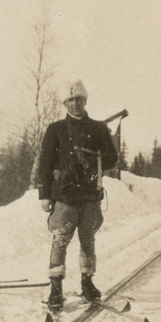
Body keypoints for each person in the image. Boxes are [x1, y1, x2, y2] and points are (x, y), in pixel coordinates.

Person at [37, 80, 120, 309]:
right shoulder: (55, 130)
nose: (75, 104)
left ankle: (87, 282)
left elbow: (113, 160)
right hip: (64, 195)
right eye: (70, 100)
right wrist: (45, 194)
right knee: (60, 240)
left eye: (79, 99)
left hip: (90, 196)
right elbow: (44, 164)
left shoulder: (99, 128)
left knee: (88, 240)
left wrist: (102, 151)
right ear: (65, 103)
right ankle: (55, 287)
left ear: (85, 100)